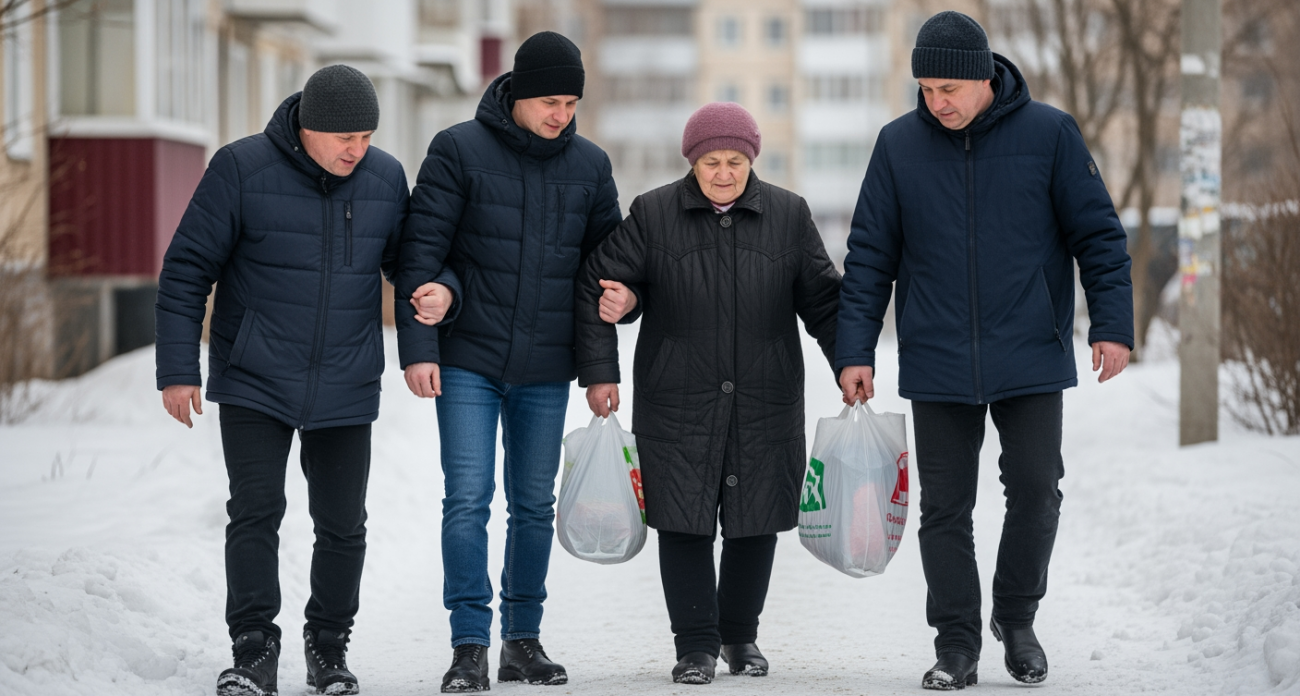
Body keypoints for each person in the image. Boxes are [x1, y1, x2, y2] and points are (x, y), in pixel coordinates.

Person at [835, 11, 1134, 691]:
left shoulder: (1050, 135)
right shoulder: (898, 146)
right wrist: (856, 350)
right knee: (945, 508)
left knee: (1036, 490)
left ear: (983, 77)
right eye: (926, 89)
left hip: (1030, 348)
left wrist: (1112, 325)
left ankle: (1017, 616)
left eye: (948, 88)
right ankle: (958, 644)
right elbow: (868, 258)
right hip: (937, 355)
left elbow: (1099, 237)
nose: (936, 102)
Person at [155, 65, 458, 696]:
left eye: (367, 136)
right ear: (306, 127)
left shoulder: (383, 178)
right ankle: (254, 649)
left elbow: (413, 269)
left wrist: (434, 312)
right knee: (256, 511)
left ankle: (328, 648)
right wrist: (179, 368)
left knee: (344, 524)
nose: (357, 150)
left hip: (346, 378)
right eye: (344, 137)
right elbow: (186, 271)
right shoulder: (241, 169)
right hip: (254, 376)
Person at [577, 102, 842, 685]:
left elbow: (824, 302)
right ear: (691, 162)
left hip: (764, 394)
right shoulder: (653, 213)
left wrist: (851, 361)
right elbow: (600, 284)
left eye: (735, 160)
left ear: (752, 159)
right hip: (677, 395)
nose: (724, 172)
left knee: (756, 519)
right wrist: (605, 361)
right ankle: (696, 645)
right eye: (711, 162)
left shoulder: (789, 215)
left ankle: (740, 638)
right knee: (683, 519)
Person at [397, 31, 623, 693]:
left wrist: (605, 359)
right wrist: (418, 347)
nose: (562, 113)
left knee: (531, 505)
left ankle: (522, 641)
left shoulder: (590, 166)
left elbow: (604, 274)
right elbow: (421, 255)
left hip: (546, 366)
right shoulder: (457, 150)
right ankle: (469, 646)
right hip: (468, 357)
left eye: (571, 102)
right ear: (518, 94)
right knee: (467, 500)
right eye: (550, 100)